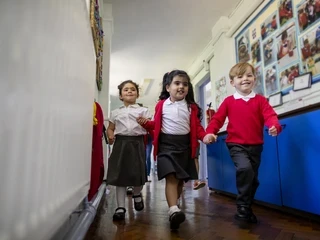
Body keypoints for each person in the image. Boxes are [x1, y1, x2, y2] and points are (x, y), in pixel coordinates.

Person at [137, 70, 216, 230]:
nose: (181, 87)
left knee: (180, 181)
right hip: (166, 146)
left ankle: (175, 205)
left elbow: (197, 128)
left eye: (185, 84)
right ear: (168, 87)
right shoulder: (162, 105)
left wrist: (206, 136)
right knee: (171, 178)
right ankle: (173, 210)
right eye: (177, 83)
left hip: (185, 146)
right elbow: (156, 124)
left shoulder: (192, 107)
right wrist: (146, 123)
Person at [204, 62, 282, 223]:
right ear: (232, 82)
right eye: (240, 77)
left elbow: (270, 116)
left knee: (253, 179)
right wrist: (210, 132)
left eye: (249, 75)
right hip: (236, 145)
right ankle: (242, 206)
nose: (245, 79)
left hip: (256, 145)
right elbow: (217, 119)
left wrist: (274, 126)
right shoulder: (229, 101)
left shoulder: (260, 100)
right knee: (245, 169)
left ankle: (246, 207)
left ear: (254, 79)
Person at [106, 80, 151, 221]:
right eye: (126, 90)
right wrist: (110, 135)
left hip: (137, 143)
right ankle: (120, 207)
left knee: (137, 172)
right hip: (121, 144)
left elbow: (150, 126)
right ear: (120, 95)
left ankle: (137, 194)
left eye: (133, 89)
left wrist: (146, 122)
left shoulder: (143, 111)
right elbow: (111, 128)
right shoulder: (115, 112)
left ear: (137, 94)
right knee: (120, 176)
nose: (129, 91)